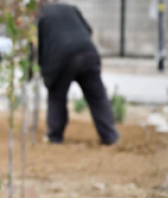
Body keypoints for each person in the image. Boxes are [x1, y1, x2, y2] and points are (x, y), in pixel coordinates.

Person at [38, 3, 119, 145]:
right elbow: (88, 29)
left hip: (61, 59)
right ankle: (110, 136)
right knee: (97, 96)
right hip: (87, 51)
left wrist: (37, 70)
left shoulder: (39, 17)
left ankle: (55, 136)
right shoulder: (70, 8)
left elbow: (37, 47)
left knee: (57, 97)